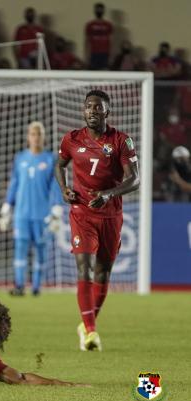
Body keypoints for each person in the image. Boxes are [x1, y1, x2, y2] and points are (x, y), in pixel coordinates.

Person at [55, 90, 140, 352]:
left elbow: (134, 179)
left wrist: (109, 194)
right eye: (88, 106)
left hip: (110, 214)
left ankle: (87, 323)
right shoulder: (71, 139)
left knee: (103, 271)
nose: (92, 110)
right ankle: (91, 331)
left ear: (107, 112)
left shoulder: (121, 142)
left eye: (97, 107)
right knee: (85, 267)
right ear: (83, 111)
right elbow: (59, 165)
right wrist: (64, 189)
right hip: (82, 213)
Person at [0, 122, 63, 297]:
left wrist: (57, 208)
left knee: (41, 251)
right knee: (20, 249)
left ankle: (36, 287)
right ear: (28, 137)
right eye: (33, 134)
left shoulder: (50, 159)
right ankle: (19, 285)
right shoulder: (20, 158)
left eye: (39, 134)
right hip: (22, 214)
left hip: (42, 214)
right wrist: (7, 206)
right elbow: (14, 184)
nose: (35, 137)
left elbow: (56, 186)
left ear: (43, 137)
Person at [84, 2, 112, 70]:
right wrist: (86, 56)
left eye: (100, 10)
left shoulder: (108, 25)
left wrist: (111, 56)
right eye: (97, 9)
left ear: (103, 11)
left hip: (105, 53)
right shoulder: (90, 25)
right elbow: (87, 41)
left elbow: (111, 40)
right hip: (93, 53)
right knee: (93, 73)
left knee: (104, 72)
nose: (99, 11)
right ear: (95, 11)